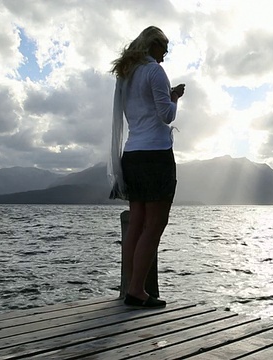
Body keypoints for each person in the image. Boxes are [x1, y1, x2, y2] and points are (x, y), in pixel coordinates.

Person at [109, 26, 185, 308]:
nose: (164, 57)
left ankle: (132, 286)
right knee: (155, 225)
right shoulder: (154, 71)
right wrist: (174, 97)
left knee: (137, 223)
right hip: (155, 155)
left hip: (132, 154)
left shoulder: (127, 74)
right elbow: (165, 115)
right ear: (152, 46)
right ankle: (138, 291)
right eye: (163, 50)